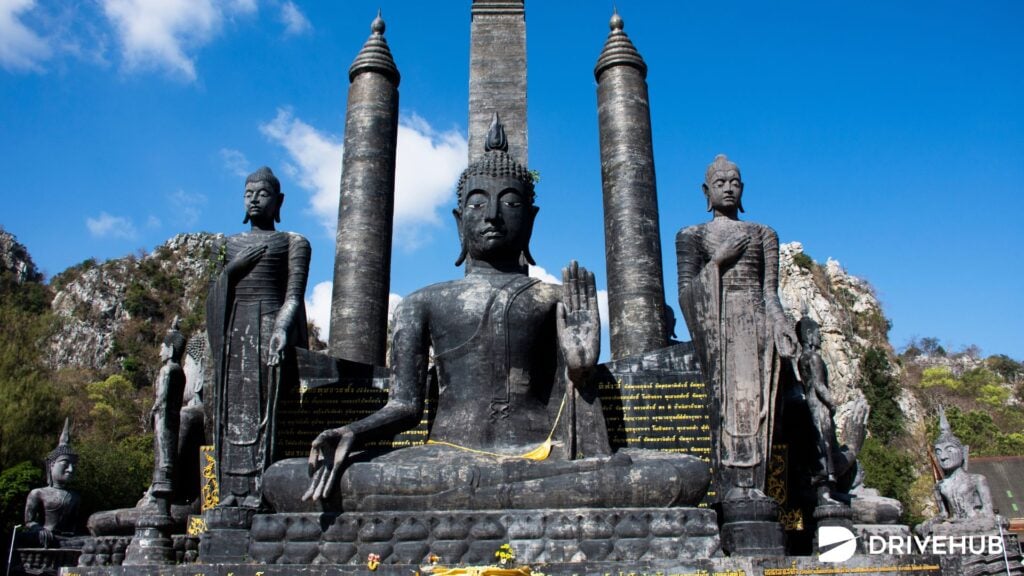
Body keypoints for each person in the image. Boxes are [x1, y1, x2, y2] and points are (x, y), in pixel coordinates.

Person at [302, 116, 708, 511]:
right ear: (459, 221)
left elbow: (581, 440)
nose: (493, 215)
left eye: (510, 202)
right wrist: (353, 431)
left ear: (530, 220)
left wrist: (581, 374)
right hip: (446, 459)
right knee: (290, 477)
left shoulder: (554, 298)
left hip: (540, 458)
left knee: (681, 474)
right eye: (478, 203)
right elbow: (405, 406)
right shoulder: (421, 302)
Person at [676, 154, 797, 502]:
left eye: (734, 183)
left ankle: (759, 487)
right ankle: (729, 487)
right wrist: (718, 261)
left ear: (743, 189)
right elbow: (686, 294)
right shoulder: (691, 236)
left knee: (759, 409)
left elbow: (770, 293)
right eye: (720, 183)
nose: (728, 188)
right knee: (726, 406)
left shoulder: (763, 233)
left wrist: (781, 324)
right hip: (720, 327)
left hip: (757, 325)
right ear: (706, 192)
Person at [206, 166, 310, 509]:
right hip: (234, 330)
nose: (254, 200)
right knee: (232, 408)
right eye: (248, 194)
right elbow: (214, 295)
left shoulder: (293, 243)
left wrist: (281, 328)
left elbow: (293, 296)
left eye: (262, 194)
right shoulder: (225, 245)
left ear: (279, 201)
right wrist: (232, 269)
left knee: (267, 405)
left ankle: (262, 489)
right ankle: (230, 490)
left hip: (269, 321)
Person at [22, 419, 81, 548]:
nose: (70, 469)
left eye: (73, 465)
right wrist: (38, 529)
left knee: (89, 542)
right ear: (52, 465)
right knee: (27, 537)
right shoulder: (38, 493)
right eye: (65, 464)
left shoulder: (75, 497)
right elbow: (29, 521)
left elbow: (73, 527)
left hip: (65, 539)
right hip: (43, 536)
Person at [150, 317, 187, 504]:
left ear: (171, 349)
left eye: (162, 348)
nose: (160, 353)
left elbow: (162, 397)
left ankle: (158, 494)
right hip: (174, 418)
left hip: (163, 417)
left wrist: (153, 410)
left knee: (162, 454)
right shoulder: (180, 372)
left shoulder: (167, 370)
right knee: (168, 453)